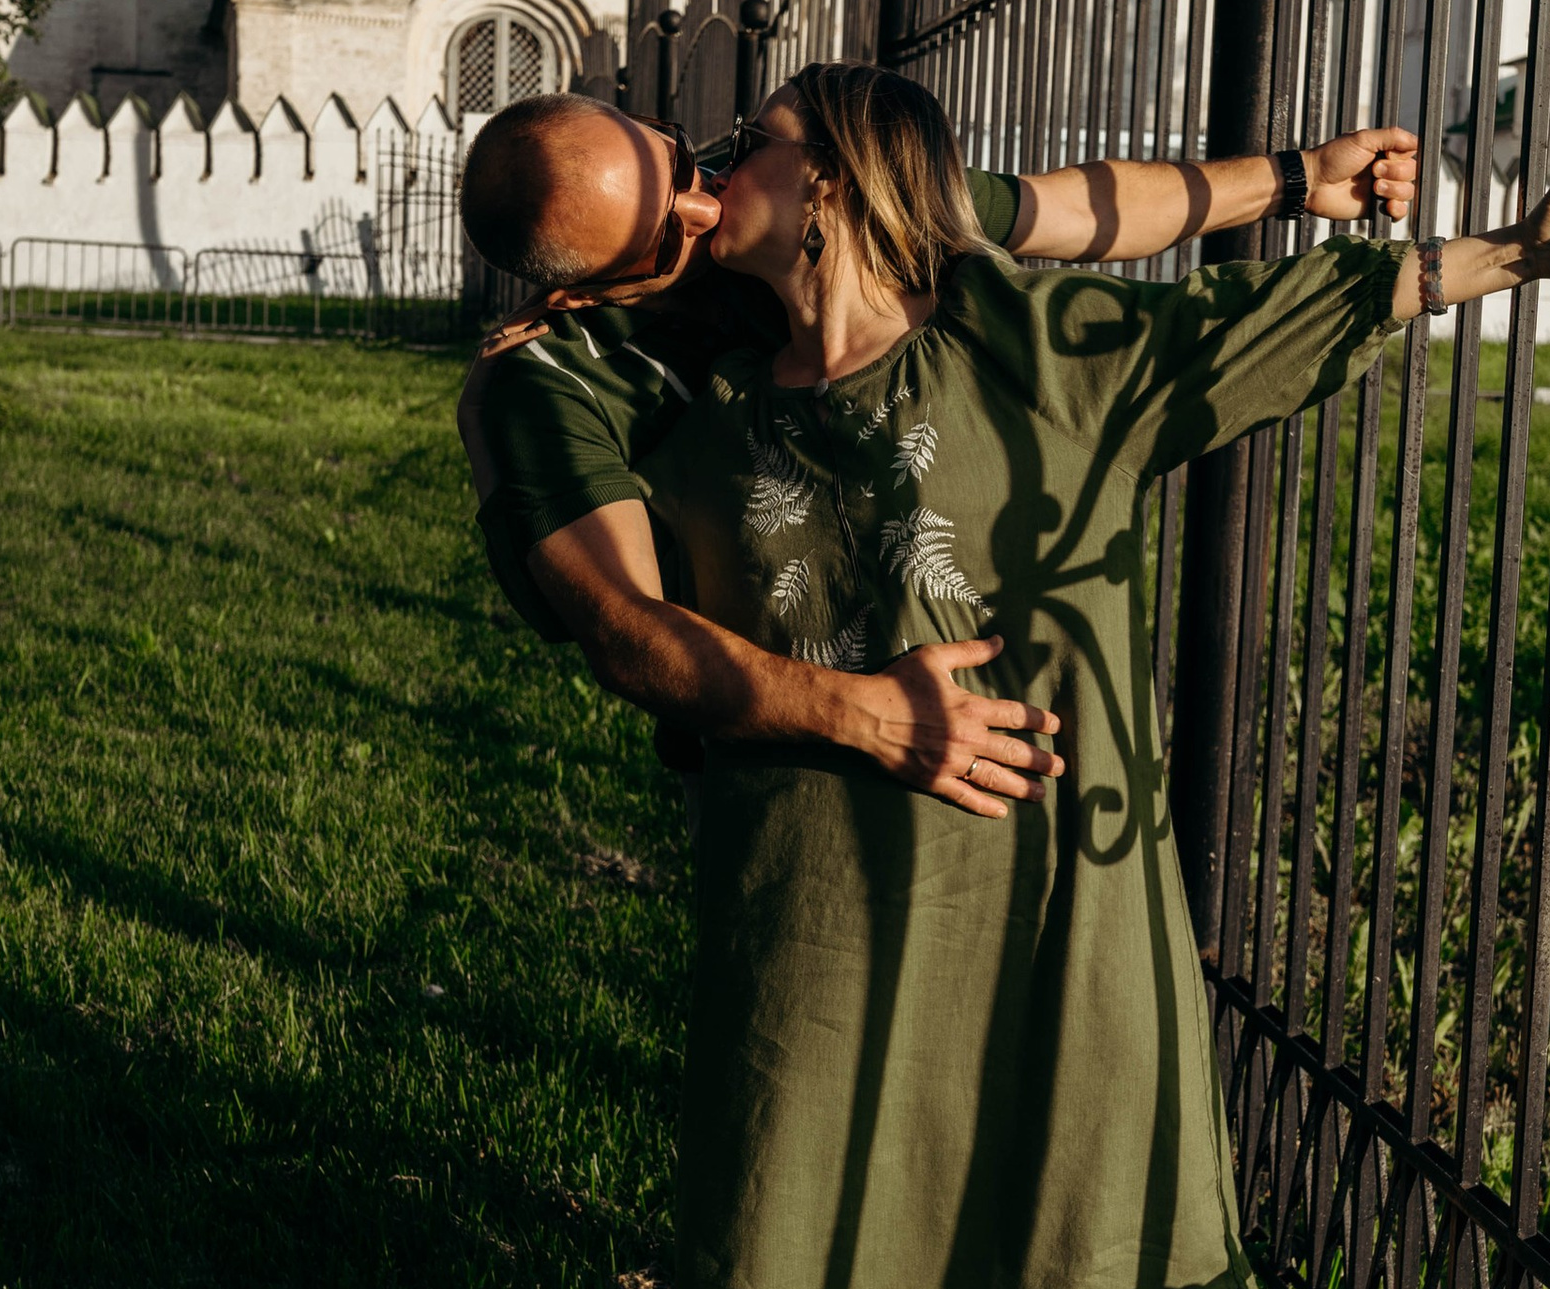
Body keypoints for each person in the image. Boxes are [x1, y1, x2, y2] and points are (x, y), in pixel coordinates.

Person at [531, 62, 1550, 1289]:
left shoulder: (1021, 347)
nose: (714, 163)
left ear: (835, 181)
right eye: (705, 151)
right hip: (836, 928)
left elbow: (1254, 328)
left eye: (746, 141)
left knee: (1158, 1239)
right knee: (999, 1250)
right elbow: (618, 602)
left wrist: (1506, 254)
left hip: (1065, 900)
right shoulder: (693, 425)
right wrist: (583, 276)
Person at [456, 92, 1421, 810]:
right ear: (577, 290)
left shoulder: (787, 203)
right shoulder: (541, 388)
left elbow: (1066, 209)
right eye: (669, 235)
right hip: (793, 753)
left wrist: (1294, 178)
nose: (707, 207)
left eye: (684, 163)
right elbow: (626, 630)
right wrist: (865, 716)